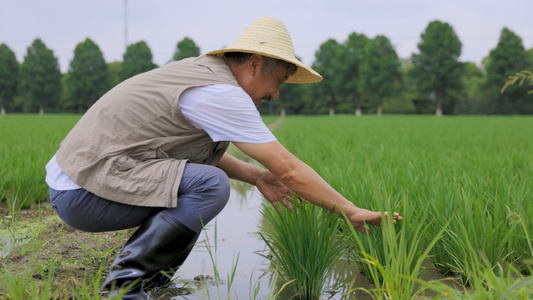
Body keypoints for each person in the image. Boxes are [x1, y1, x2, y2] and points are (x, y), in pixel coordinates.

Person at [45, 17, 402, 299]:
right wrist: (348, 209)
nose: (276, 94)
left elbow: (187, 154)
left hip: (86, 180)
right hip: (82, 190)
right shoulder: (222, 94)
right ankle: (123, 289)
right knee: (209, 186)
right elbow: (290, 169)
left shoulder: (207, 78)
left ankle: (152, 284)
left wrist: (256, 176)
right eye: (278, 80)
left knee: (202, 184)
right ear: (255, 64)